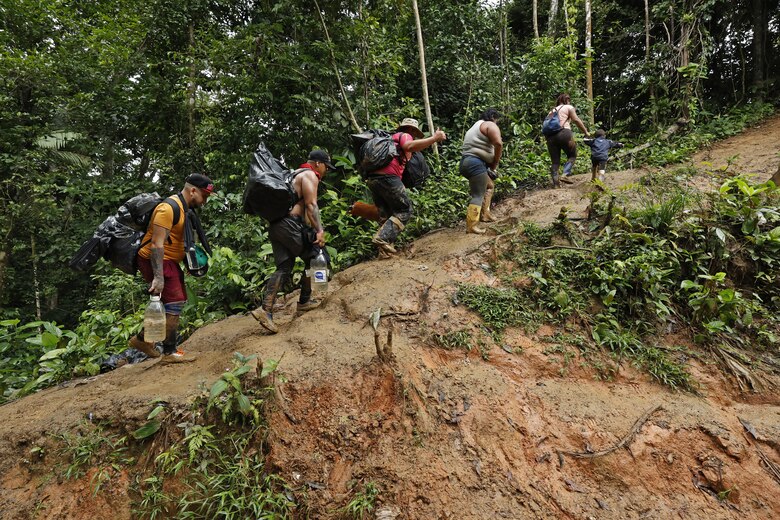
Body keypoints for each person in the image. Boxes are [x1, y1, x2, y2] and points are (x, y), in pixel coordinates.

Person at [128, 173, 214, 364]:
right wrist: (158, 277)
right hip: (158, 260)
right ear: (193, 191)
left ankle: (142, 340)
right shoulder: (168, 209)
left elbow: (177, 240)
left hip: (169, 261)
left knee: (173, 303)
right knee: (175, 303)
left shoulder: (184, 209)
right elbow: (157, 245)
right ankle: (169, 352)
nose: (205, 202)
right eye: (204, 196)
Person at [251, 149, 335, 334]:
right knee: (316, 255)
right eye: (326, 167)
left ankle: (265, 310)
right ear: (318, 164)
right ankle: (305, 301)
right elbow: (312, 206)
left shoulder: (292, 174)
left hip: (276, 226)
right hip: (289, 226)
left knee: (284, 267)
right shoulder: (309, 176)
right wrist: (320, 231)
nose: (326, 171)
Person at [366, 118, 446, 257]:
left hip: (373, 179)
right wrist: (434, 138)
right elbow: (409, 146)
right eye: (414, 132)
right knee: (405, 209)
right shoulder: (405, 135)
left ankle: (384, 253)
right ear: (411, 129)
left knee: (386, 214)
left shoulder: (391, 140)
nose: (414, 136)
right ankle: (383, 238)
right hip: (388, 177)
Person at [459, 108, 503, 234]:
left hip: (467, 162)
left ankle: (485, 214)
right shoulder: (490, 125)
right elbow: (498, 144)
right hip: (475, 163)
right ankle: (471, 225)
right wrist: (495, 162)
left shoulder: (475, 126)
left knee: (489, 186)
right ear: (493, 117)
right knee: (478, 194)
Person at [544, 93, 590, 188]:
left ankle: (556, 185)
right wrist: (586, 132)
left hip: (550, 138)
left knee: (555, 162)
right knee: (572, 155)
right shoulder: (568, 107)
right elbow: (576, 120)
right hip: (564, 133)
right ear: (567, 100)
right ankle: (565, 174)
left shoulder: (552, 111)